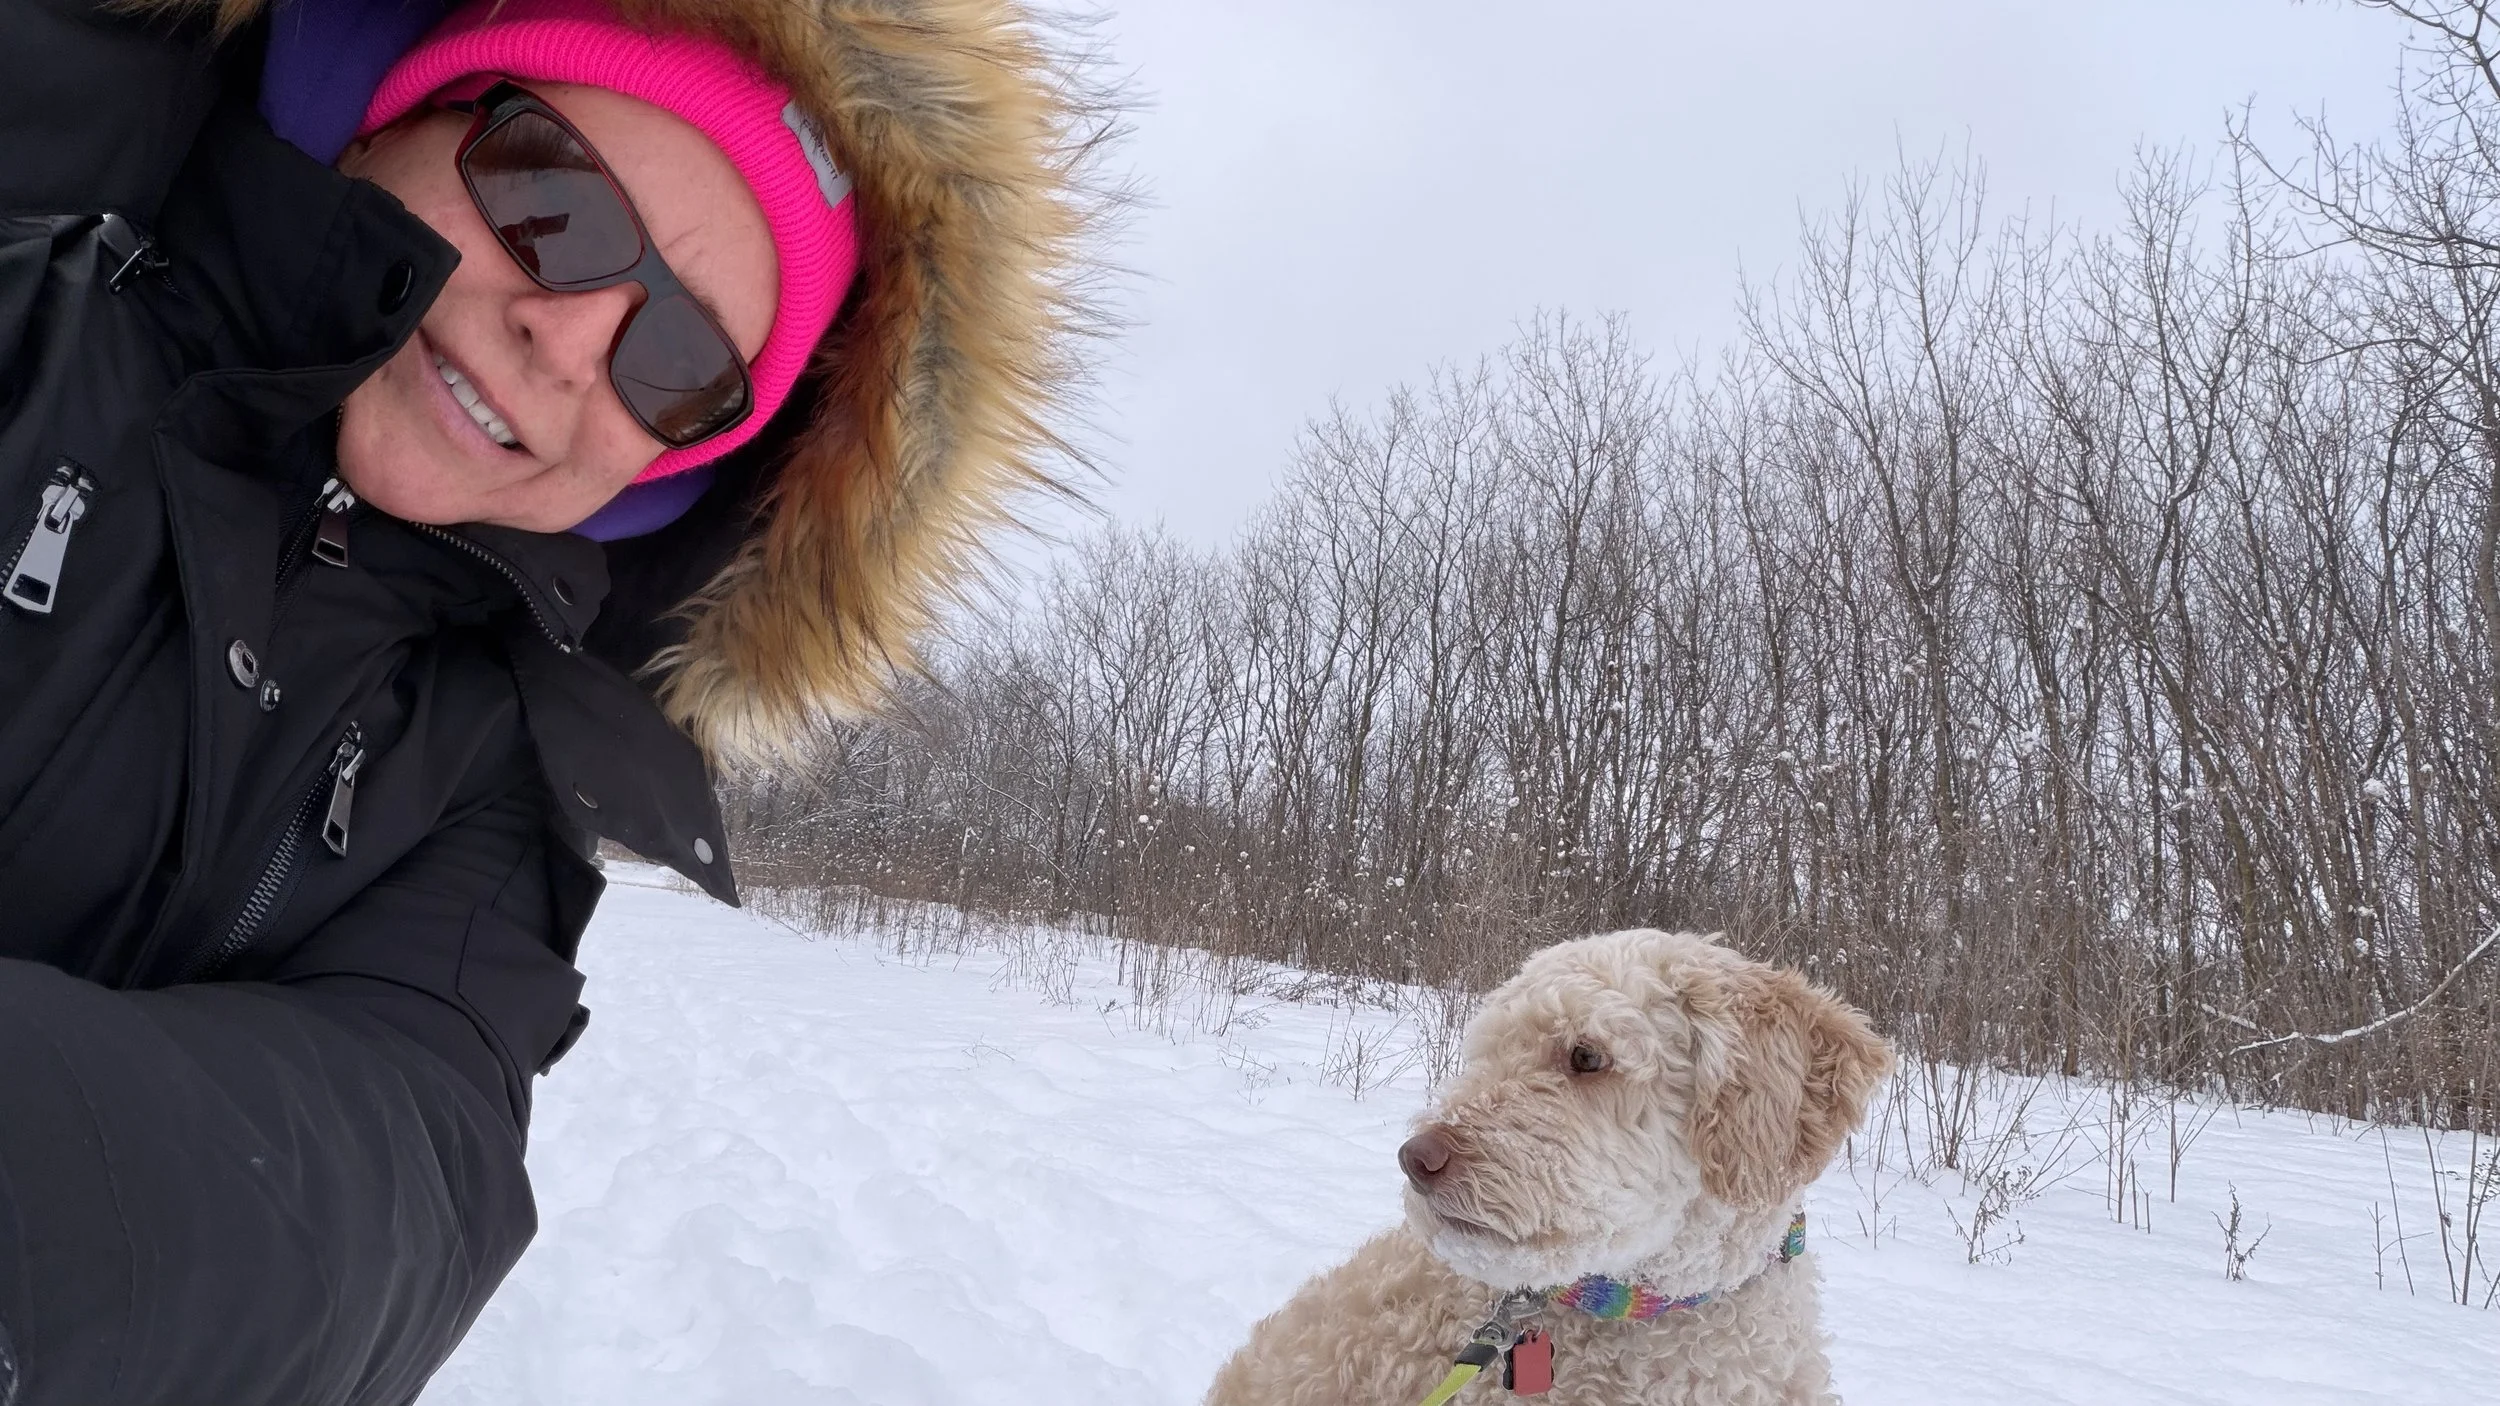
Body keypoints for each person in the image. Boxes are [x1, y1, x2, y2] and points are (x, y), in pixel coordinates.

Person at [0, 0, 1095, 1400]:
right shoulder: (34, 266)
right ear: (396, 109)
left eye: (680, 364)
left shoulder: (505, 773)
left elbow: (402, 1158)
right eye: (549, 197)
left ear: (676, 465)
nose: (571, 344)